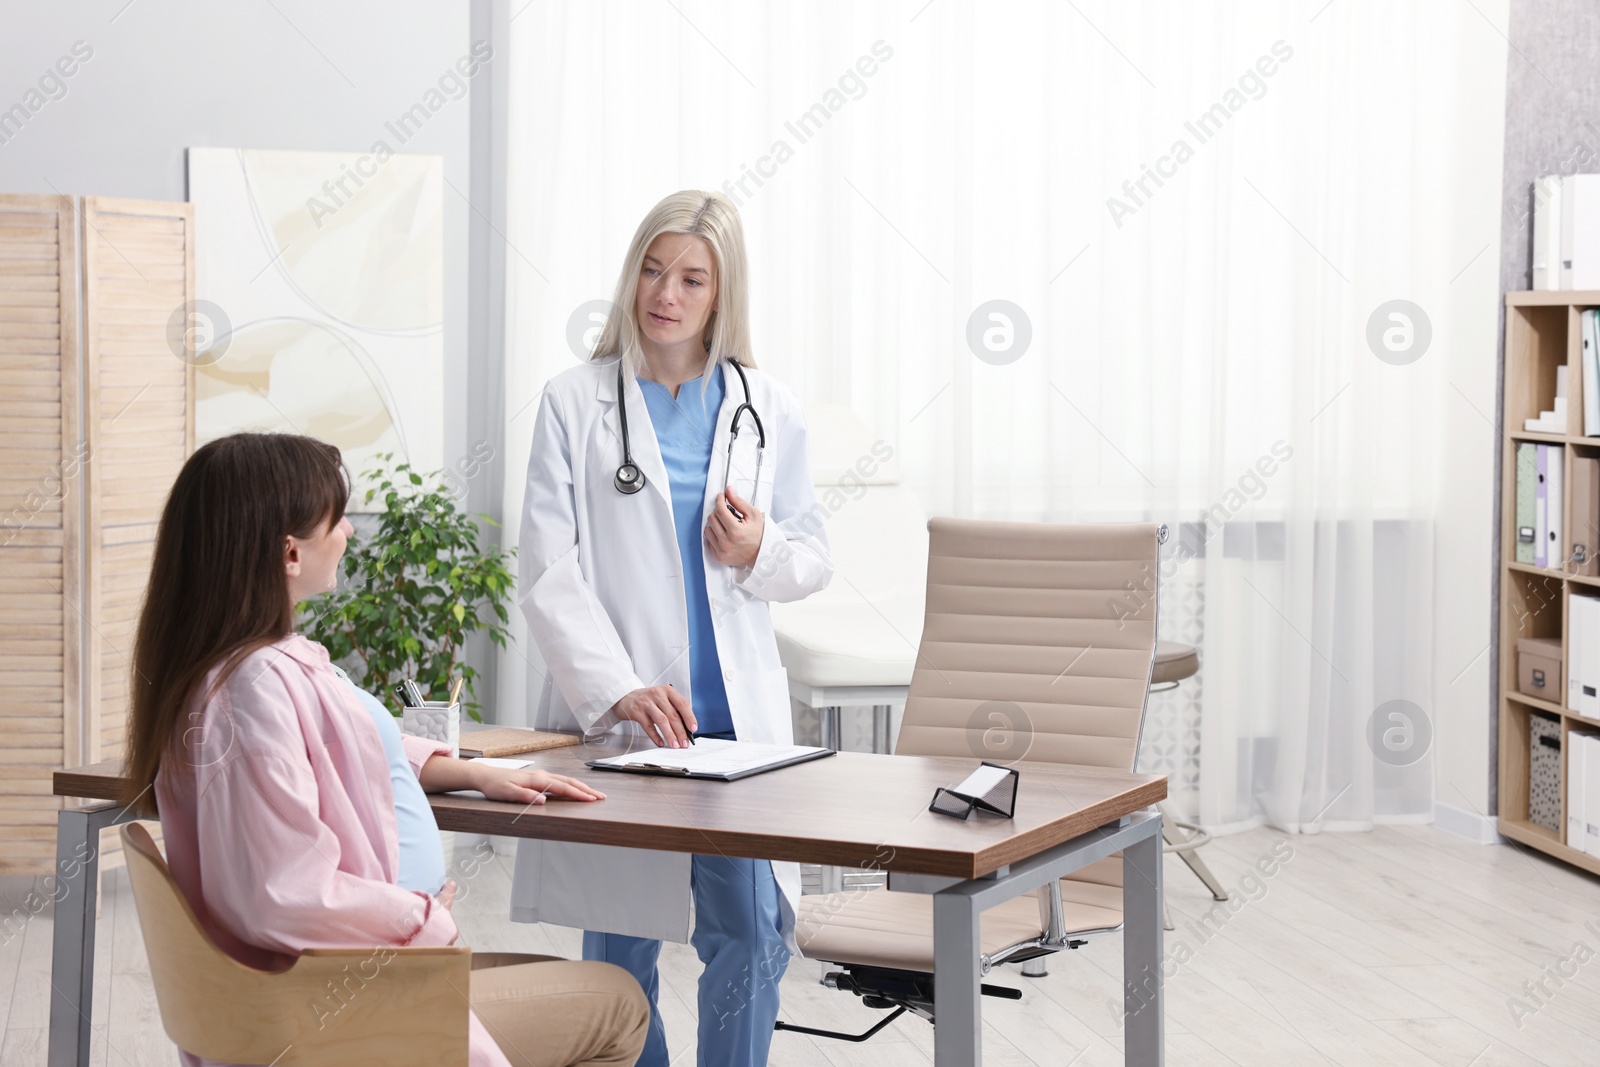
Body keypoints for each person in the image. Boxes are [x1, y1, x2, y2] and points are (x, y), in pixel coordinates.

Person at [121, 432, 650, 1067]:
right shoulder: (254, 689)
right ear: (290, 552)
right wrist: (420, 916)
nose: (348, 531)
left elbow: (349, 743)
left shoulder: (239, 670)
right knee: (619, 1001)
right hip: (333, 1012)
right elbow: (280, 894)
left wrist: (473, 774)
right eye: (336, 519)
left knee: (556, 973)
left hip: (336, 981)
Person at [512, 190, 834, 1066]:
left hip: (734, 728)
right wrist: (616, 684)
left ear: (721, 294)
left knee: (751, 930)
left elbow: (811, 557)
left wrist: (761, 545)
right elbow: (547, 567)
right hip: (630, 722)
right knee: (621, 941)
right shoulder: (574, 401)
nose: (666, 292)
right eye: (653, 270)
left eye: (692, 277)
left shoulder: (766, 407)